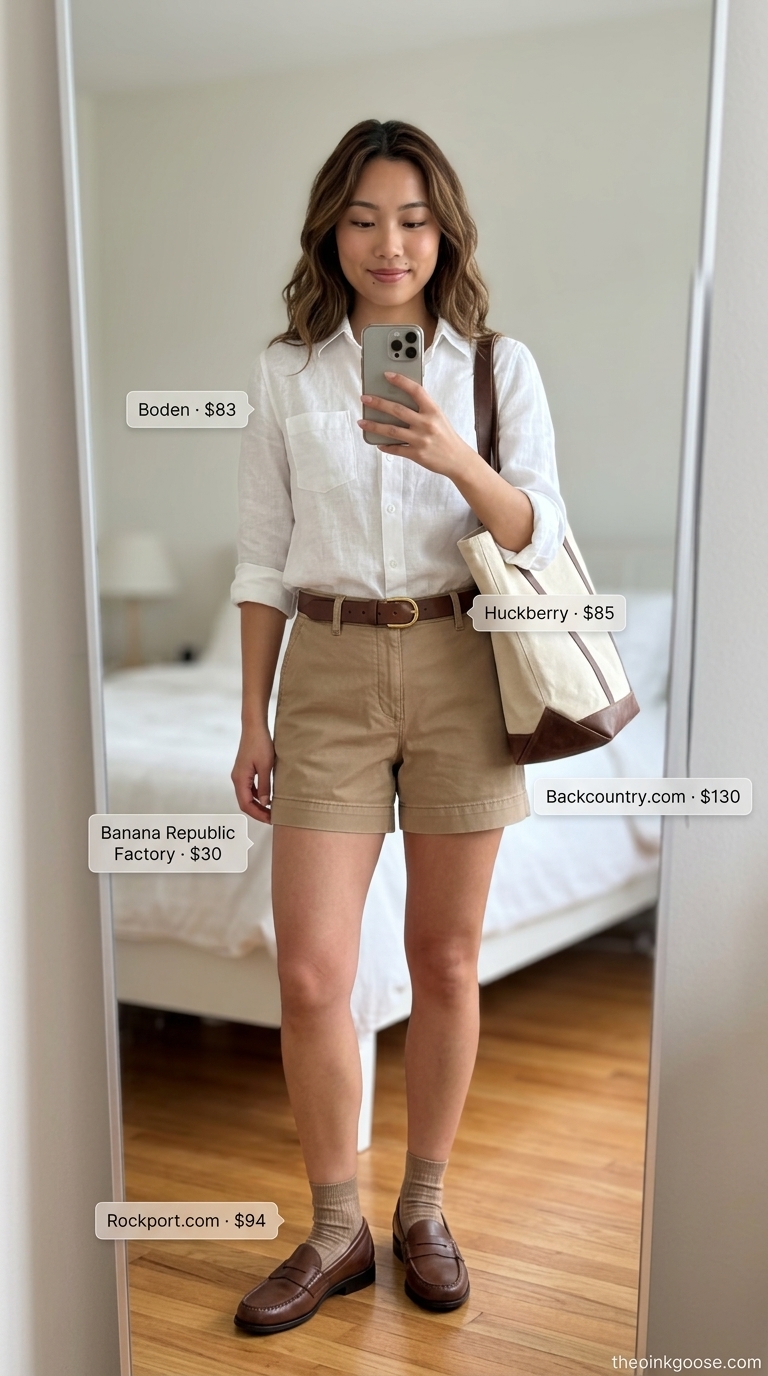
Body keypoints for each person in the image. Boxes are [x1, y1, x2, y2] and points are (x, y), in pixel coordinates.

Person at [230, 118, 566, 1335]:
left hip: (460, 658)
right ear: (333, 226)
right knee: (313, 966)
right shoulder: (286, 370)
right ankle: (335, 1229)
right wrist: (251, 716)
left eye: (413, 218)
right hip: (321, 669)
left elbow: (533, 532)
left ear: (444, 230)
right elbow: (264, 557)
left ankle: (423, 1207)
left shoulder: (496, 365)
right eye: (366, 217)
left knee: (445, 958)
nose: (390, 242)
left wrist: (452, 450)